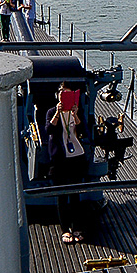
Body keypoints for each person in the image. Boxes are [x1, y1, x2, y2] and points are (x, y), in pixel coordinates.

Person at [46, 83, 86, 242]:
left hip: (75, 157)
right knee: (61, 196)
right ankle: (65, 229)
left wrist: (75, 115)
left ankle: (77, 227)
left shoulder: (76, 113)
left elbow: (83, 131)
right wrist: (57, 112)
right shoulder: (51, 112)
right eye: (61, 94)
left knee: (75, 195)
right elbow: (48, 130)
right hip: (59, 159)